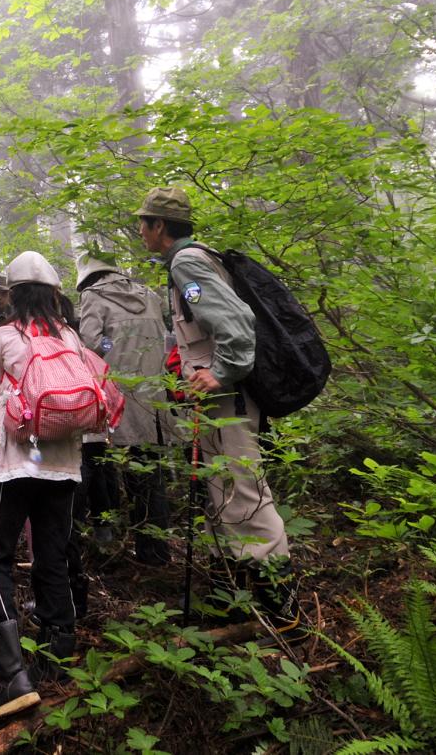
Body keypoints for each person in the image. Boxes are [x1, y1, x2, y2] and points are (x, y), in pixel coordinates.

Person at [134, 186, 298, 625]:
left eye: (144, 223)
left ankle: (284, 610)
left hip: (228, 399)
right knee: (223, 493)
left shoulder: (187, 262)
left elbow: (238, 326)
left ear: (160, 227)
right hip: (217, 403)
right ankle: (242, 598)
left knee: (245, 493)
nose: (140, 231)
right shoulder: (189, 262)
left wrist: (221, 372)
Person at [0, 251, 83, 722]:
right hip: (63, 466)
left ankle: (13, 676)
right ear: (55, 294)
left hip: (16, 463)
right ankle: (60, 653)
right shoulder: (71, 337)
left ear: (11, 295)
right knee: (53, 553)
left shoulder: (2, 336)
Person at [75, 253, 174, 567]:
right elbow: (166, 337)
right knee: (149, 475)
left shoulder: (93, 298)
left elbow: (90, 343)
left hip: (115, 397)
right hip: (155, 398)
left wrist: (110, 345)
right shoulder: (149, 295)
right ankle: (155, 553)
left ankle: (107, 540)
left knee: (99, 466)